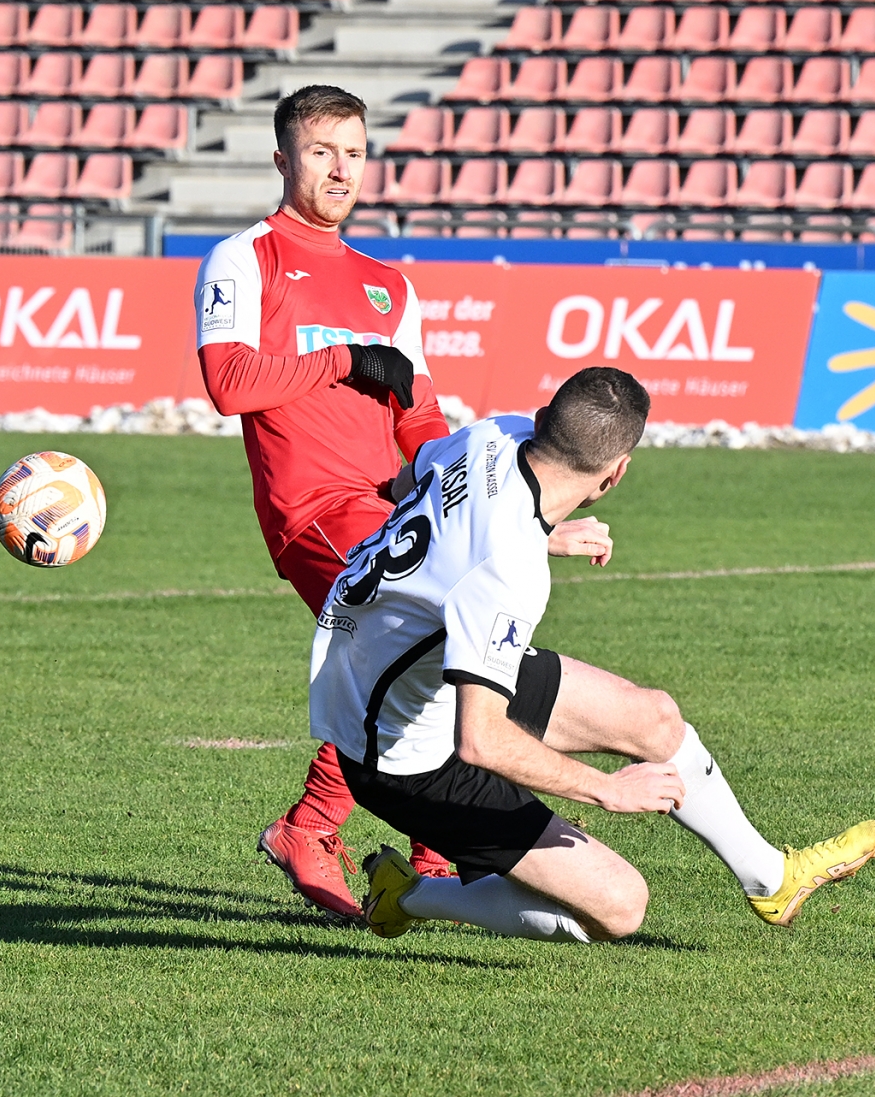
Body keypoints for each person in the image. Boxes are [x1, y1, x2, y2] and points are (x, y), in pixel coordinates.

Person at [192, 85, 612, 919]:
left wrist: (513, 519)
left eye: (353, 151)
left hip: (392, 507)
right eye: (321, 151)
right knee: (435, 642)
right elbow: (228, 383)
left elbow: (420, 421)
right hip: (314, 510)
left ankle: (396, 844)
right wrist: (344, 360)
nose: (340, 169)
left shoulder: (388, 285)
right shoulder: (245, 258)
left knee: (444, 648)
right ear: (283, 159)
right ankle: (324, 828)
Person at [303, 366, 875, 943]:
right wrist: (606, 789)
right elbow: (480, 740)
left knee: (655, 718)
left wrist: (535, 533)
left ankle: (771, 879)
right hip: (398, 757)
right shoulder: (507, 570)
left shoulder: (491, 434)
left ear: (541, 421)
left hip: (405, 670)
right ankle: (407, 896)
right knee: (619, 907)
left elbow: (406, 488)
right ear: (615, 474)